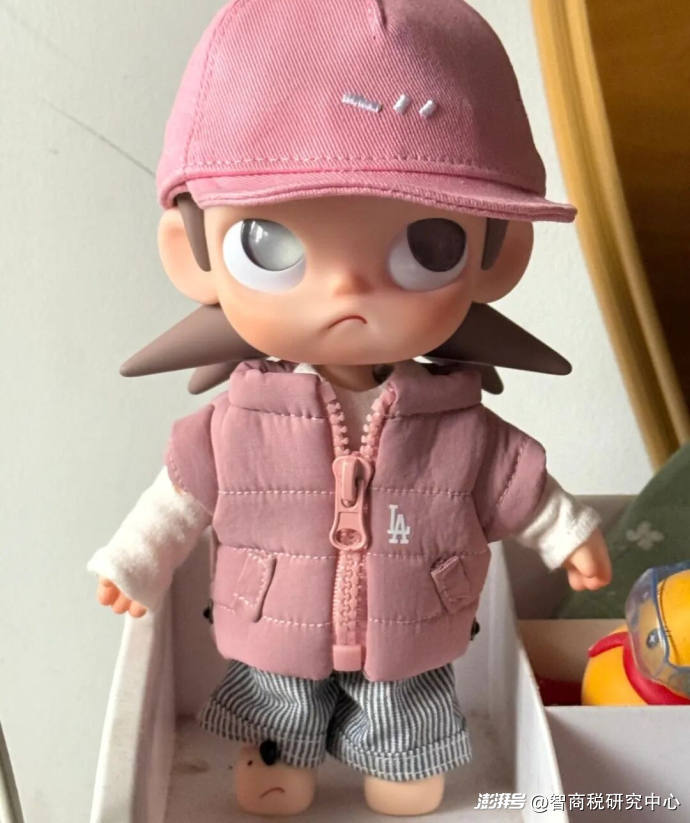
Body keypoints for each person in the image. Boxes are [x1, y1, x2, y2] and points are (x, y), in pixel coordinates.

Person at [88, 0, 612, 815]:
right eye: (269, 244)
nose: (347, 289)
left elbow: (518, 484)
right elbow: (179, 493)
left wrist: (569, 533)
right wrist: (135, 559)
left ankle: (400, 762)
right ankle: (278, 758)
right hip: (275, 612)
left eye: (427, 246)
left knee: (410, 704)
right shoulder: (239, 423)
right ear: (190, 256)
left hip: (415, 615)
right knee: (275, 699)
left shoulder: (458, 422)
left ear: (497, 257)